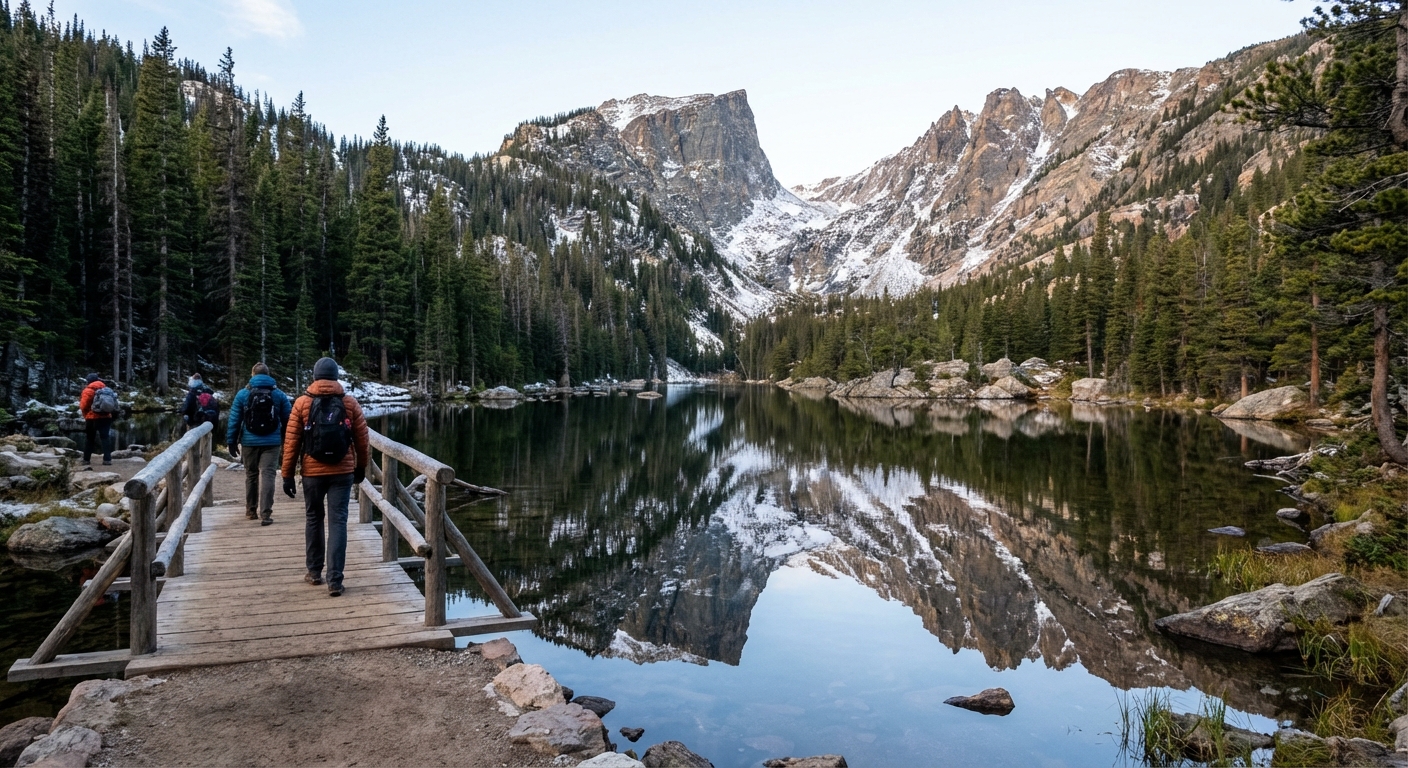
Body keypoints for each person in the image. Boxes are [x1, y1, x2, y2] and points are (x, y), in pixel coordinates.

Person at [281, 357, 368, 597]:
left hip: (312, 471)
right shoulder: (349, 403)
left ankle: (314, 572)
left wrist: (288, 475)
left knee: (313, 518)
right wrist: (361, 467)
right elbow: (362, 440)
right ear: (336, 376)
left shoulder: (301, 403)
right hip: (342, 471)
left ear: (315, 376)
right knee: (338, 522)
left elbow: (291, 443)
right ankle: (335, 581)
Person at [226, 363, 292, 526]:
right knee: (268, 474)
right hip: (272, 441)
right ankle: (266, 514)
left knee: (251, 475)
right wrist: (286, 440)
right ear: (268, 375)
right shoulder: (279, 395)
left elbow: (234, 419)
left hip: (249, 441)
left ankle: (250, 511)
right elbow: (289, 420)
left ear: (253, 374)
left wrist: (231, 441)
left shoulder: (242, 394)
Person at [78, 373, 117, 465]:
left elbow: (83, 406)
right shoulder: (106, 389)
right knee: (105, 438)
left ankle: (86, 459)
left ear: (89, 381)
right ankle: (107, 460)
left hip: (92, 418)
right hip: (106, 417)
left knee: (90, 438)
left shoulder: (88, 390)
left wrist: (86, 414)